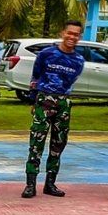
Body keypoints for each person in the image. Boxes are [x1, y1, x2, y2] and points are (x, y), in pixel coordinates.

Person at [23, 20, 85, 199]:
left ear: (79, 37)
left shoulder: (78, 60)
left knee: (58, 143)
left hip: (63, 103)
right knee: (36, 142)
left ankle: (50, 183)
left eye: (76, 34)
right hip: (44, 99)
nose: (72, 37)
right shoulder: (46, 54)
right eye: (69, 33)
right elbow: (35, 76)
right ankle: (30, 184)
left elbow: (70, 81)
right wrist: (33, 100)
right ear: (62, 33)